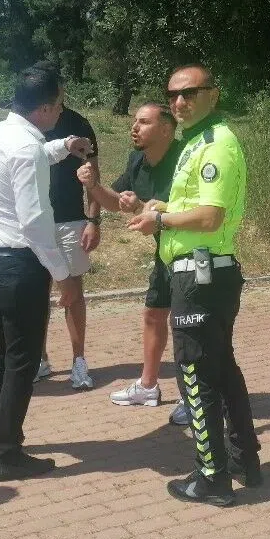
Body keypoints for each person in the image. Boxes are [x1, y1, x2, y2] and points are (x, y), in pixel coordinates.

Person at [128, 65, 261, 507]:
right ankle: (244, 461)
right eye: (172, 95)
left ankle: (211, 478)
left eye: (189, 93)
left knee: (195, 377)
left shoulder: (216, 144)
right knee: (222, 370)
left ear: (213, 94)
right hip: (204, 272)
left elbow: (210, 217)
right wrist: (164, 205)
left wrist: (161, 220)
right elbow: (196, 205)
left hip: (199, 275)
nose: (179, 102)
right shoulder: (196, 141)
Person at [0, 61, 93, 481]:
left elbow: (33, 154)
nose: (61, 111)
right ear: (43, 108)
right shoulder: (26, 149)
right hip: (21, 266)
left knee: (0, 352)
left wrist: (64, 146)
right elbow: (36, 222)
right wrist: (62, 273)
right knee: (21, 362)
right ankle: (9, 454)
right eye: (58, 105)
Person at [76, 102, 185, 417]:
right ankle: (148, 386)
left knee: (187, 326)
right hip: (165, 252)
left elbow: (187, 211)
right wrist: (93, 186)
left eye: (144, 122)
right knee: (153, 314)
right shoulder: (137, 160)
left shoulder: (185, 159)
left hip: (193, 252)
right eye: (134, 121)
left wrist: (141, 207)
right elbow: (116, 202)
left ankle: (195, 398)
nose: (134, 128)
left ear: (166, 129)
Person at [38, 99, 101, 389]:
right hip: (34, 222)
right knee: (36, 293)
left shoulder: (78, 123)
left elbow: (93, 175)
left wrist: (93, 220)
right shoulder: (25, 126)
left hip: (70, 220)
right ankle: (40, 359)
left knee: (73, 292)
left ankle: (79, 361)